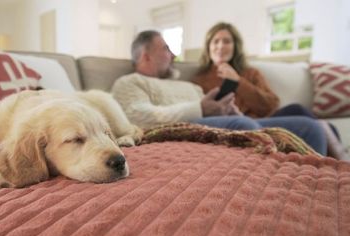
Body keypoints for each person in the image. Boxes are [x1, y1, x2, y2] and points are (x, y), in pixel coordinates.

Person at [111, 30, 328, 156]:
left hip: (226, 121)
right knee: (246, 128)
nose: (174, 55)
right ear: (146, 56)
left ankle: (312, 185)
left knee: (310, 128)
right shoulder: (129, 82)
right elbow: (136, 116)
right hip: (185, 130)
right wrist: (201, 108)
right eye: (166, 49)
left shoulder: (189, 86)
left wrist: (230, 111)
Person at [192, 22, 349, 160]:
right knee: (321, 126)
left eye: (226, 41)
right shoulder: (200, 79)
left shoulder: (250, 72)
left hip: (264, 119)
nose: (220, 46)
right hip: (239, 124)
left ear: (235, 46)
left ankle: (334, 161)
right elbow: (202, 113)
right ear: (208, 47)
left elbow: (271, 105)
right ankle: (338, 158)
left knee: (299, 109)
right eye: (215, 41)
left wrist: (238, 81)